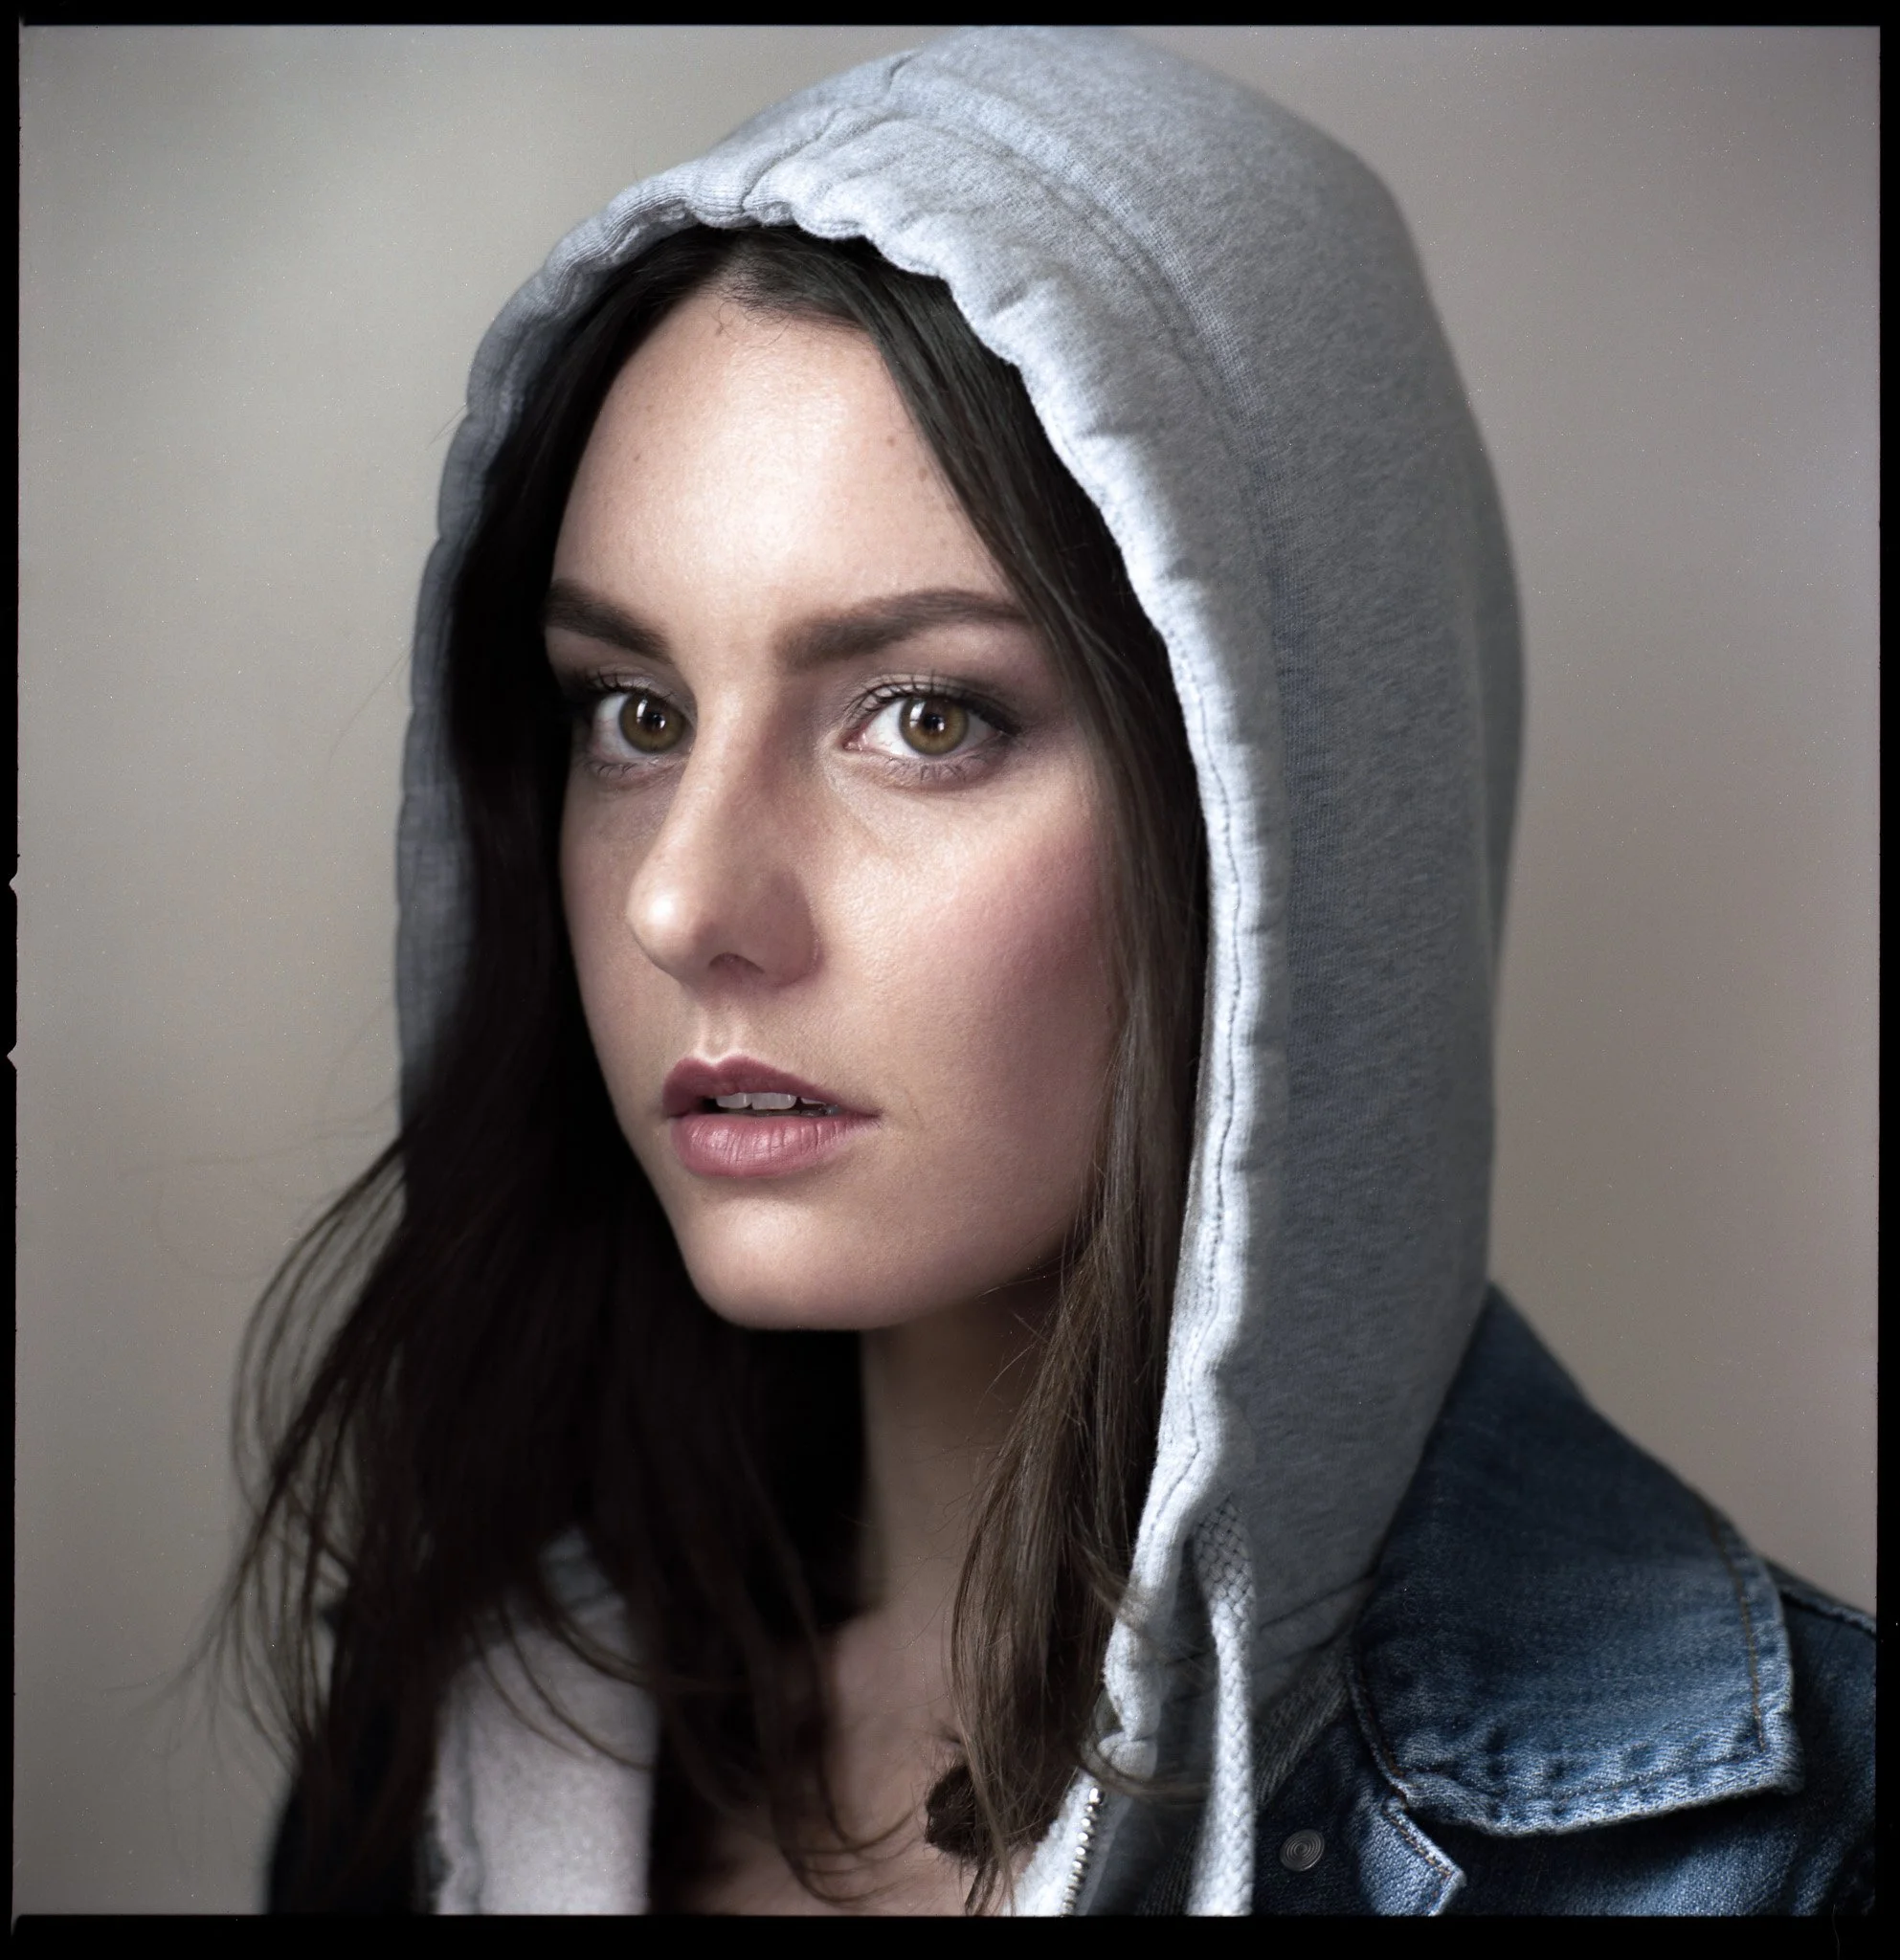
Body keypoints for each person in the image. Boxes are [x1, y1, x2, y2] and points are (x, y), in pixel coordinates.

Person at [233, 28, 1872, 1916]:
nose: (684, 898)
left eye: (924, 716)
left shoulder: (1784, 1860)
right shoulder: (434, 1754)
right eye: (634, 709)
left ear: (1286, 809)